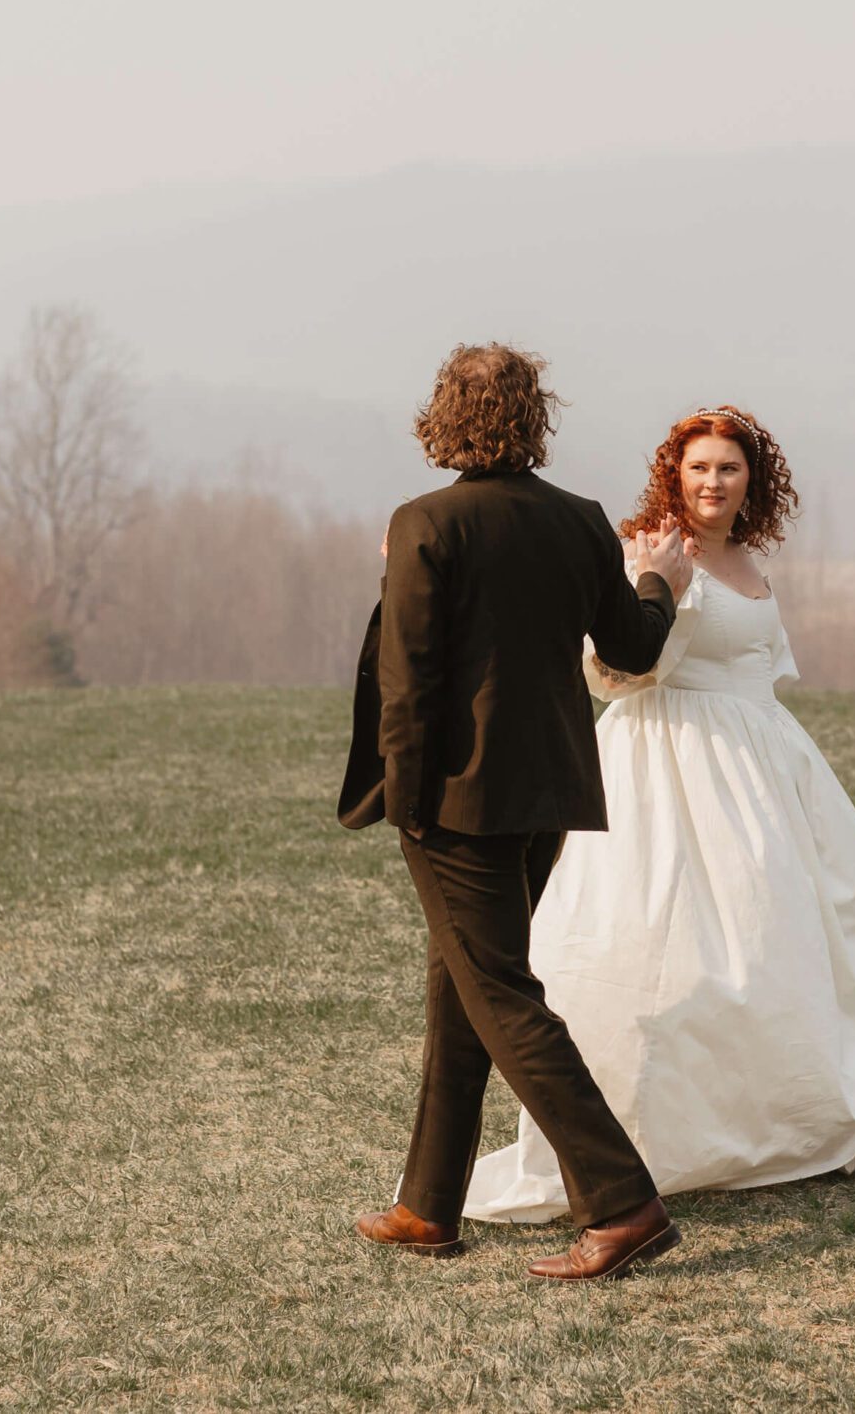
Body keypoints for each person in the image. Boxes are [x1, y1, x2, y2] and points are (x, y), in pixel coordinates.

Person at [462, 405, 855, 1223]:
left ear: (755, 481)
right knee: (659, 946)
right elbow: (614, 670)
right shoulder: (653, 550)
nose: (714, 482)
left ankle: (770, 1119)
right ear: (676, 473)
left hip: (763, 766)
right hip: (668, 762)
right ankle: (645, 1135)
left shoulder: (747, 557)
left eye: (730, 468)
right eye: (701, 467)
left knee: (768, 938)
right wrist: (656, 589)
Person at [338, 342, 697, 1280]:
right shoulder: (579, 521)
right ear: (535, 414)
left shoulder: (424, 524)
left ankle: (623, 1204)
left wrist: (407, 806)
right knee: (462, 984)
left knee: (498, 993)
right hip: (549, 795)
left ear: (445, 416)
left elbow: (407, 688)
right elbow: (630, 643)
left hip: (455, 802)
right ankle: (429, 1206)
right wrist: (659, 582)